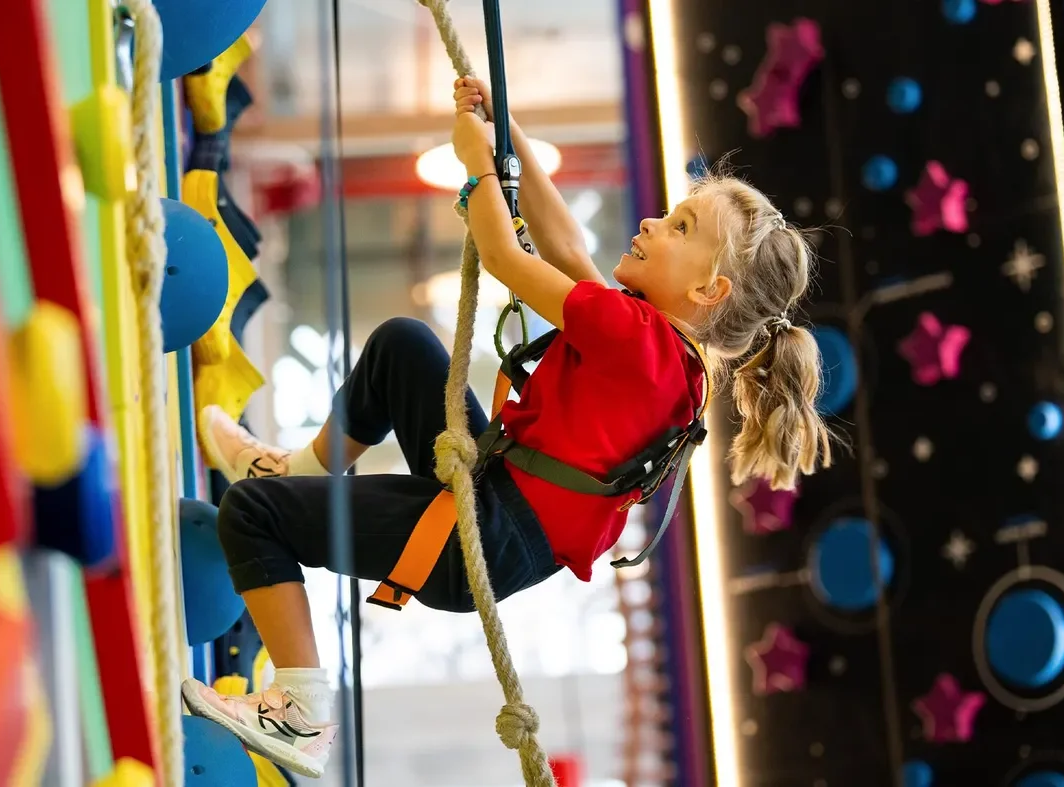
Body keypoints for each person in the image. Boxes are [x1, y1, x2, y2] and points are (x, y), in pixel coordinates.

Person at [179, 77, 832, 778]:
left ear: (709, 292)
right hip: (500, 503)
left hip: (482, 536)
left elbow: (509, 258)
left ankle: (300, 709)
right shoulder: (676, 369)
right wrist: (507, 133)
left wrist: (477, 167)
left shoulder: (640, 340)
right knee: (403, 346)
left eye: (679, 229)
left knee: (251, 517)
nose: (650, 224)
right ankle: (298, 469)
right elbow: (567, 246)